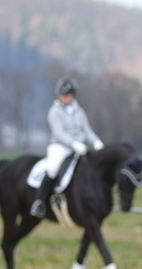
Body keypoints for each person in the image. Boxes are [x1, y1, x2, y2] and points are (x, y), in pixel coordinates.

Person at [30, 77, 104, 218]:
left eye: (67, 95)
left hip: (80, 146)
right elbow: (59, 133)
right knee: (52, 169)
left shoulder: (79, 111)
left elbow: (87, 130)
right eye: (62, 95)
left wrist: (96, 142)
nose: (64, 97)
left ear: (73, 95)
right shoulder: (54, 111)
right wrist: (74, 144)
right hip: (60, 146)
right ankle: (39, 202)